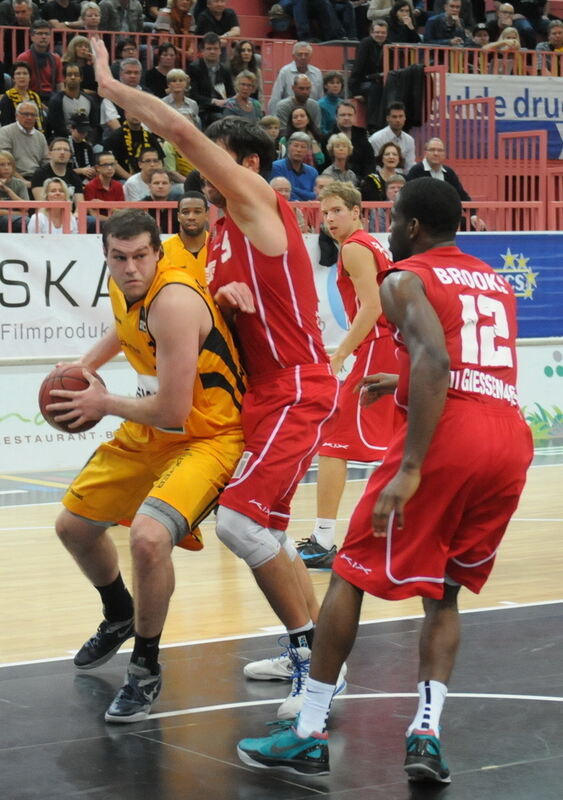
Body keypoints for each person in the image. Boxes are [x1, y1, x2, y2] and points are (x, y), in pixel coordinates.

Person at [237, 176, 533, 781]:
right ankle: (426, 733)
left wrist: (412, 467)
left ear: (413, 226)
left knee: (347, 574)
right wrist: (398, 386)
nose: (388, 228)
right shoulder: (494, 282)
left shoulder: (405, 276)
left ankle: (309, 729)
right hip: (508, 441)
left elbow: (437, 359)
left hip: (449, 440)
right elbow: (475, 369)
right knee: (443, 591)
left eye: (394, 218)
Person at [92, 37, 344, 719]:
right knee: (268, 531)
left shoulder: (260, 205)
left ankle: (311, 668)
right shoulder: (220, 238)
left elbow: (176, 129)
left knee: (238, 525)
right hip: (254, 396)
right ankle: (316, 649)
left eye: (213, 164)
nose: (200, 175)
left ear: (250, 167)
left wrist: (112, 88)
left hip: (296, 385)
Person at [47, 208, 244, 722]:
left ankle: (146, 666)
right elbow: (122, 328)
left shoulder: (174, 300)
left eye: (140, 256)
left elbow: (175, 411)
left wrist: (102, 402)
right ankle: (119, 614)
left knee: (149, 538)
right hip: (152, 427)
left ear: (158, 252)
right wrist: (84, 368)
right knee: (73, 526)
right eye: (119, 258)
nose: (131, 267)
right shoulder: (123, 287)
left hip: (208, 434)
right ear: (107, 258)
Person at [297, 181, 397, 569]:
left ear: (357, 211)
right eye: (324, 213)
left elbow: (370, 308)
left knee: (333, 441)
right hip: (391, 347)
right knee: (400, 444)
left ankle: (323, 540)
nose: (329, 219)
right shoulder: (371, 243)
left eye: (337, 210)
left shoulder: (355, 248)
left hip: (377, 348)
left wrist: (340, 354)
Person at [406, 138, 486, 231]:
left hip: (446, 219)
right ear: (426, 152)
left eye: (440, 150)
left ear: (444, 154)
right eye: (432, 150)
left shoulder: (449, 172)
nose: (436, 153)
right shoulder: (416, 171)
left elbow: (462, 195)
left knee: (479, 228)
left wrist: (473, 215)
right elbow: (408, 197)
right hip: (423, 220)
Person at [161, 191, 209, 284]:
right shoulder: (164, 251)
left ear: (206, 215)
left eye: (197, 212)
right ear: (178, 216)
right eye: (185, 212)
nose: (191, 217)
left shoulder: (217, 247)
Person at [187, 32, 235, 127]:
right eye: (209, 49)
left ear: (220, 51)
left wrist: (228, 101)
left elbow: (231, 93)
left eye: (215, 48)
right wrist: (213, 101)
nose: (212, 51)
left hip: (222, 109)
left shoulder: (225, 70)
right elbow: (193, 95)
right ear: (202, 51)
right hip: (202, 109)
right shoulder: (194, 68)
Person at [349, 19, 388, 130]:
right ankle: (372, 125)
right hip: (364, 82)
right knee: (375, 88)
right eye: (377, 32)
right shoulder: (365, 44)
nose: (380, 35)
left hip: (381, 81)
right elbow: (358, 67)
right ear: (371, 33)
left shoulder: (389, 45)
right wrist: (355, 91)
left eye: (383, 32)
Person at [268, 42, 324, 116]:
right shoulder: (285, 72)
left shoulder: (317, 73)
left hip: (310, 117)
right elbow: (276, 97)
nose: (303, 57)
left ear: (311, 56)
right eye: (300, 54)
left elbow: (320, 98)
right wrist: (274, 120)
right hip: (288, 116)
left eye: (306, 54)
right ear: (293, 56)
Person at [0, 101, 49, 182]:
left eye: (33, 115)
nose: (29, 117)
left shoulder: (40, 136)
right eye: (25, 114)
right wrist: (22, 181)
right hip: (13, 178)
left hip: (37, 178)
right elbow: (4, 162)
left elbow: (46, 162)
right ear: (17, 116)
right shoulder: (5, 132)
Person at [105, 113, 164, 180]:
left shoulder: (149, 137)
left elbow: (160, 160)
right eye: (132, 112)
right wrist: (131, 179)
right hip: (124, 180)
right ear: (126, 114)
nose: (136, 115)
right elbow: (112, 161)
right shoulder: (116, 137)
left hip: (149, 179)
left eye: (137, 112)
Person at [16, 19, 64, 102]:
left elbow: (59, 84)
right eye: (40, 33)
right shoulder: (23, 58)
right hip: (30, 98)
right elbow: (19, 86)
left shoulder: (56, 58)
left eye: (47, 34)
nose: (44, 36)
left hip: (52, 98)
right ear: (32, 37)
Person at [45, 62, 97, 138]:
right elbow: (57, 128)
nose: (73, 77)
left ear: (81, 78)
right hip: (63, 141)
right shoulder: (56, 101)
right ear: (64, 78)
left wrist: (87, 141)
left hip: (85, 140)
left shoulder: (90, 100)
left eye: (76, 75)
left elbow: (94, 126)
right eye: (69, 75)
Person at [329, 101, 376, 180]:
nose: (346, 118)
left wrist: (366, 180)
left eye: (350, 115)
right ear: (336, 117)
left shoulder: (362, 136)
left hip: (361, 180)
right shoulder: (328, 138)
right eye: (343, 115)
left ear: (354, 117)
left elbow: (370, 163)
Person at [31, 136, 84, 203]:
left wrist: (73, 214)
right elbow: (42, 204)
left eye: (66, 150)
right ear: (50, 154)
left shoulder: (74, 176)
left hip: (70, 212)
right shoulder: (40, 174)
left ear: (70, 155)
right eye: (58, 149)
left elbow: (80, 205)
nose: (62, 152)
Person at [368, 101, 416, 173]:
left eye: (401, 116)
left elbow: (410, 166)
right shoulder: (376, 139)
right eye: (394, 117)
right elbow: (376, 166)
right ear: (387, 118)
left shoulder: (409, 140)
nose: (398, 120)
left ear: (405, 118)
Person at [271, 132, 318, 201]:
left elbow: (315, 196)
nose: (299, 150)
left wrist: (292, 189)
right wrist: (306, 195)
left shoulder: (312, 172)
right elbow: (278, 193)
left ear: (308, 150)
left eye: (303, 147)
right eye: (296, 146)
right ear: (288, 147)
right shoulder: (277, 167)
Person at [0, 61, 45, 130]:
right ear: (13, 78)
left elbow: (40, 120)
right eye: (18, 74)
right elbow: (6, 124)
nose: (22, 76)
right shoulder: (7, 97)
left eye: (25, 73)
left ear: (30, 78)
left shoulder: (35, 96)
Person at [0, 149, 30, 232]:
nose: (6, 168)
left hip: (17, 220)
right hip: (13, 219)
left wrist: (8, 191)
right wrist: (20, 213)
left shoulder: (20, 183)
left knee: (27, 222)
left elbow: (26, 208)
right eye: (2, 165)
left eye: (9, 164)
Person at [229, 40, 263, 104]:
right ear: (238, 53)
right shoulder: (231, 69)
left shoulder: (257, 71)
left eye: (249, 50)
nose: (246, 53)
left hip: (253, 105)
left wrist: (262, 109)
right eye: (243, 50)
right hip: (234, 104)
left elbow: (260, 94)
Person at [67, 113, 96, 183]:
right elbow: (61, 170)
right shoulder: (65, 145)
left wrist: (92, 171)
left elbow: (92, 165)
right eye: (80, 131)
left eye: (86, 131)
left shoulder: (87, 146)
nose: (83, 134)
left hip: (86, 181)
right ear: (71, 129)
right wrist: (81, 171)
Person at [318, 72, 344, 138]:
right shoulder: (320, 104)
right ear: (325, 85)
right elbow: (321, 130)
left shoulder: (343, 103)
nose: (335, 85)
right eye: (332, 83)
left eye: (338, 83)